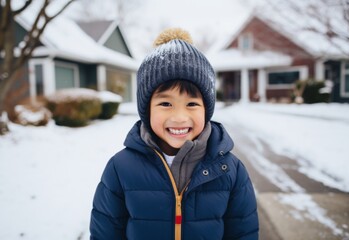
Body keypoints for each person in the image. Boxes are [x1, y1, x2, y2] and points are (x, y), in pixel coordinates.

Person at [90, 28, 259, 240]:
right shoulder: (120, 168)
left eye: (191, 104)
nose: (179, 117)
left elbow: (243, 233)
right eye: (166, 103)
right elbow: (105, 234)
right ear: (147, 109)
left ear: (206, 110)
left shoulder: (230, 171)